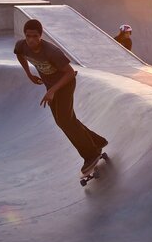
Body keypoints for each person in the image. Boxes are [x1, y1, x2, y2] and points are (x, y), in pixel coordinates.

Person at [14, 19, 108, 174]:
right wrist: (29, 74)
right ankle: (97, 141)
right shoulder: (21, 45)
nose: (31, 40)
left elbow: (70, 73)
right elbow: (19, 55)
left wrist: (52, 91)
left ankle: (91, 153)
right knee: (63, 121)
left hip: (65, 85)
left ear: (41, 36)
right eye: (28, 36)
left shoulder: (52, 52)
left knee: (65, 120)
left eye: (35, 36)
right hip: (51, 87)